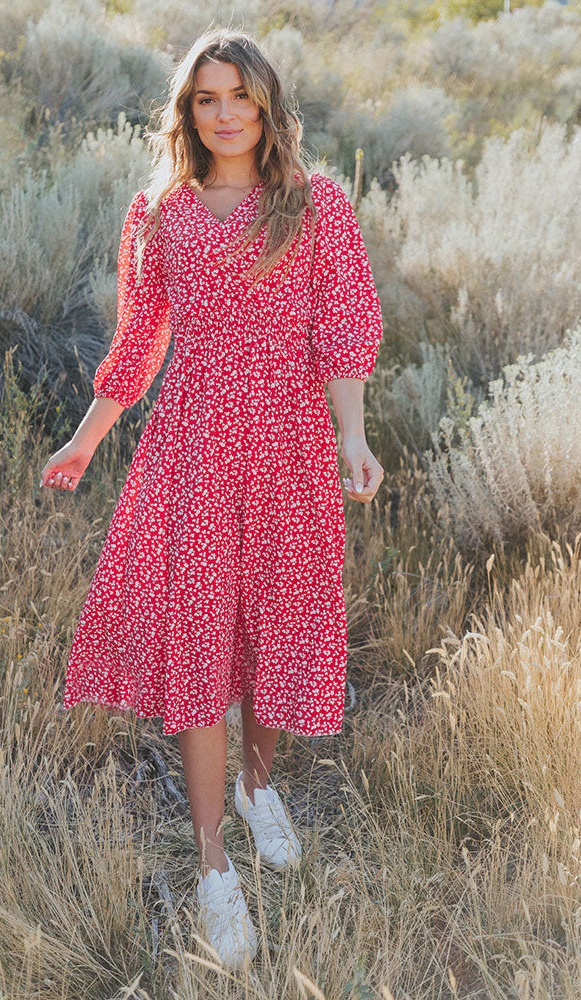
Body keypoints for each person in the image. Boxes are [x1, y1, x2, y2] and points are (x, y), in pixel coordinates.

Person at [39, 27, 383, 968]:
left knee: (274, 628)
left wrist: (353, 436)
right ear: (187, 113)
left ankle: (256, 785)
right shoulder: (162, 212)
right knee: (199, 640)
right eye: (206, 98)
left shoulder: (314, 205)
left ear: (268, 106)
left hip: (290, 446)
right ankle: (212, 864)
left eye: (240, 96)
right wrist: (85, 439)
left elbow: (344, 329)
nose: (225, 114)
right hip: (193, 449)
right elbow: (140, 343)